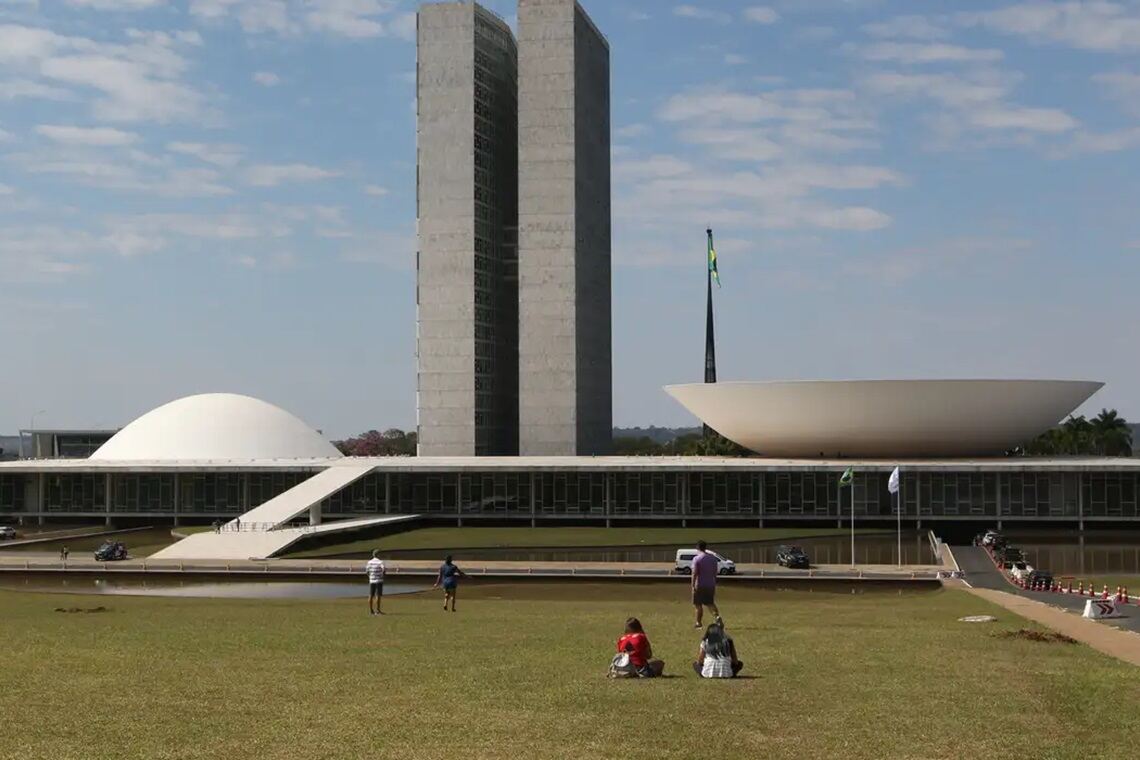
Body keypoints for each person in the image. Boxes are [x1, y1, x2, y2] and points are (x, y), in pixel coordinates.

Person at [690, 540, 721, 628]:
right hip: (710, 584)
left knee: (698, 604)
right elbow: (715, 572)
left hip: (700, 584)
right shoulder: (713, 558)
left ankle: (698, 623)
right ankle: (717, 617)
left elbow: (694, 573)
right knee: (710, 603)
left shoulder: (697, 559)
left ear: (697, 547)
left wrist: (692, 585)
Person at [365, 550, 386, 616]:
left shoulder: (369, 562)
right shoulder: (380, 562)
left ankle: (371, 611)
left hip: (372, 580)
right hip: (379, 580)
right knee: (378, 595)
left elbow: (367, 571)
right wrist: (382, 575)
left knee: (371, 595)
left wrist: (370, 577)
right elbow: (384, 569)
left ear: (373, 555)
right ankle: (378, 610)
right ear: (379, 555)